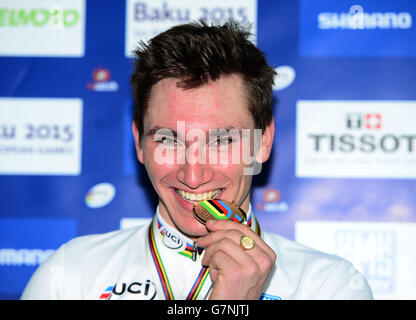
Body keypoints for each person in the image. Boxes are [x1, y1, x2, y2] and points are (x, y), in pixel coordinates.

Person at [21, 21, 373, 300]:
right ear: (139, 143)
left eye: (221, 140)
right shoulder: (70, 276)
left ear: (263, 141)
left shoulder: (330, 287)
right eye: (168, 139)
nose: (192, 174)